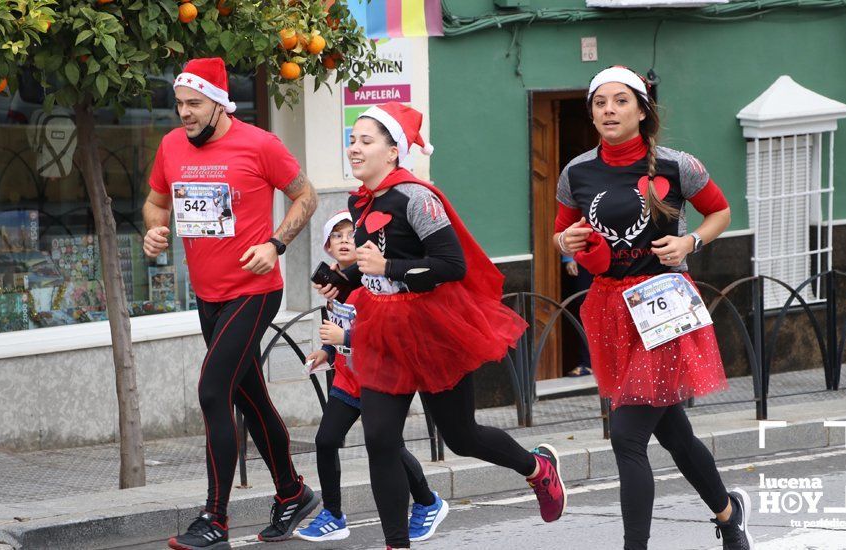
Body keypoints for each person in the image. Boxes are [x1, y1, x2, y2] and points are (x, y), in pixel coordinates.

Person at [317, 102, 567, 550]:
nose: (354, 148)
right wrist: (343, 278)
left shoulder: (417, 197)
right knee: (379, 440)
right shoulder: (360, 201)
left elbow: (450, 264)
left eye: (366, 140)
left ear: (393, 151)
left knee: (461, 437)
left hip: (432, 327)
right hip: (382, 327)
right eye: (353, 140)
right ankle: (397, 544)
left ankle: (536, 468)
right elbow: (369, 262)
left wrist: (389, 266)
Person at [553, 65, 754, 550]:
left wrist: (690, 242)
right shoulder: (576, 172)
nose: (609, 111)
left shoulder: (676, 165)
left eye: (620, 101)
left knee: (626, 435)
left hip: (664, 306)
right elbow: (560, 233)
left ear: (642, 110)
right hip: (609, 309)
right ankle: (729, 515)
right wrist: (567, 240)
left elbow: (721, 211)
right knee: (674, 434)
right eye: (600, 103)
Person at [142, 57, 320, 550]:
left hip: (254, 291)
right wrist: (154, 230)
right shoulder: (171, 146)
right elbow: (157, 201)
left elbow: (307, 195)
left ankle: (214, 519)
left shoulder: (260, 144)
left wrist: (276, 245)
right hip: (208, 296)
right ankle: (292, 492)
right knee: (250, 396)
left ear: (220, 103)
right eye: (179, 104)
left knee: (212, 390)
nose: (184, 113)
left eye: (194, 104)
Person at [297, 211, 449, 543]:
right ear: (326, 247)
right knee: (325, 440)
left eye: (350, 234)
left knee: (388, 447)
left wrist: (344, 340)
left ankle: (427, 501)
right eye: (335, 236)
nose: (344, 241)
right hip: (348, 378)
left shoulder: (373, 280)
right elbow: (341, 321)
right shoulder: (335, 283)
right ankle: (334, 515)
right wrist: (327, 349)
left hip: (380, 376)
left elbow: (383, 331)